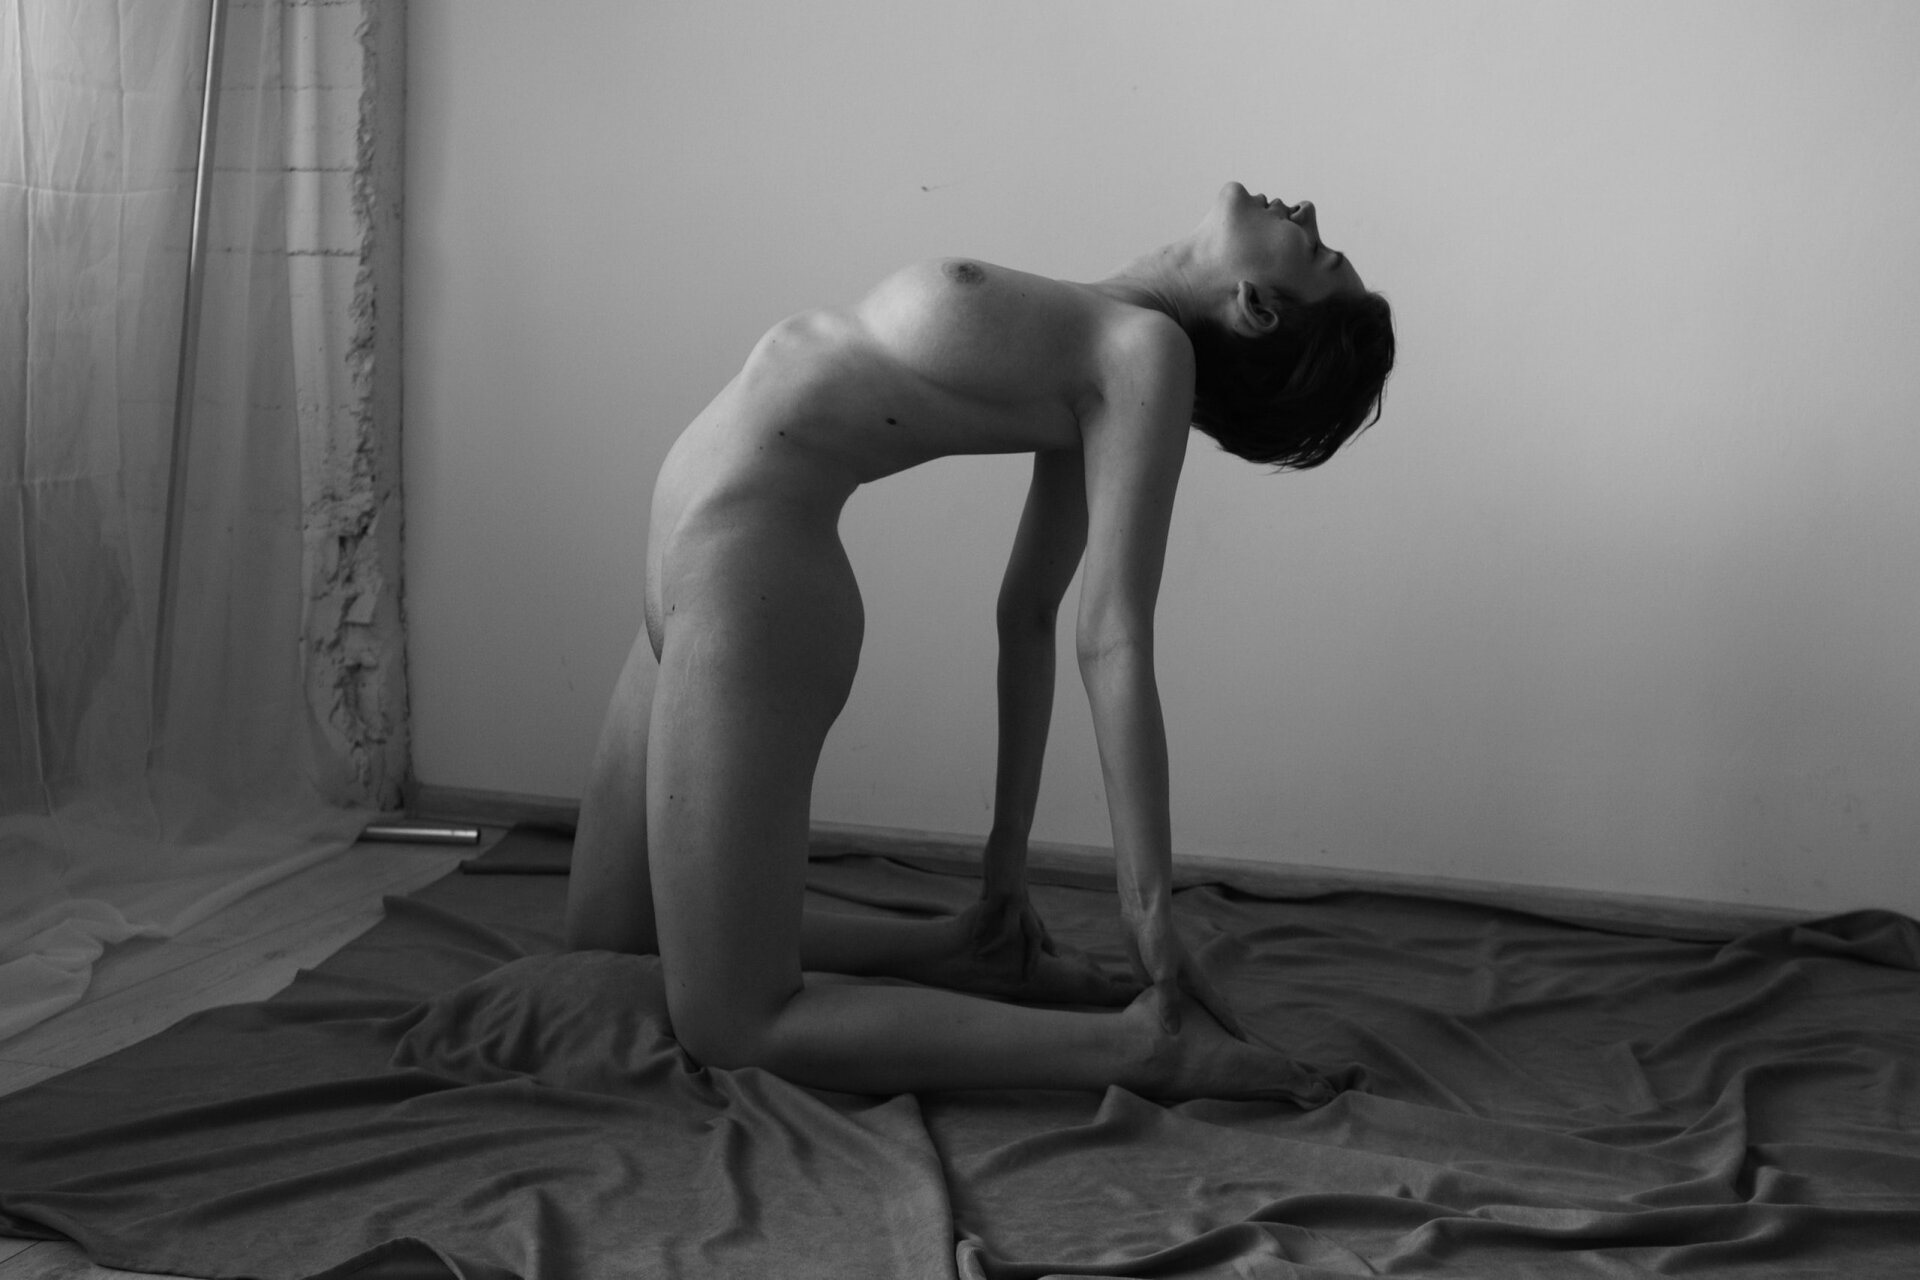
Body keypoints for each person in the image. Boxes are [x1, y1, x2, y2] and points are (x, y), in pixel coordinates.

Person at [564, 182, 1394, 1102]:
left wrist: (1149, 914)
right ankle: (968, 949)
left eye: (1319, 253)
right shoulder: (1107, 335)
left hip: (750, 585)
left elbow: (1111, 636)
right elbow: (1025, 612)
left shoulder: (1147, 353)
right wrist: (1006, 867)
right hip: (691, 564)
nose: (1307, 211)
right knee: (610, 934)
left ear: (1257, 307)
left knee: (730, 1024)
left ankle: (1140, 1049)